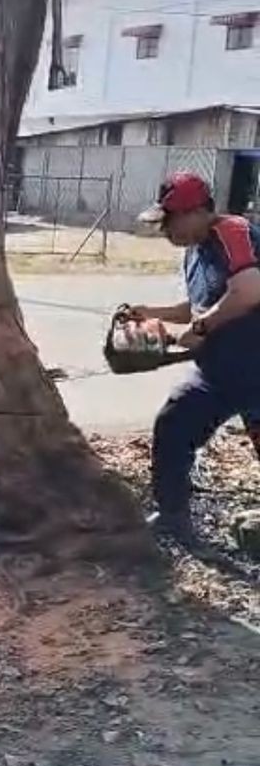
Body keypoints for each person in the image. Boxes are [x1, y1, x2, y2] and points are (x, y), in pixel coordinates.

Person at [132, 171, 260, 546]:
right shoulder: (196, 252)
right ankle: (173, 517)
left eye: (171, 220)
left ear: (198, 212)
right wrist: (151, 312)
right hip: (222, 372)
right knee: (173, 425)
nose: (166, 229)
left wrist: (201, 329)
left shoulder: (232, 232)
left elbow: (249, 289)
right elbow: (200, 304)